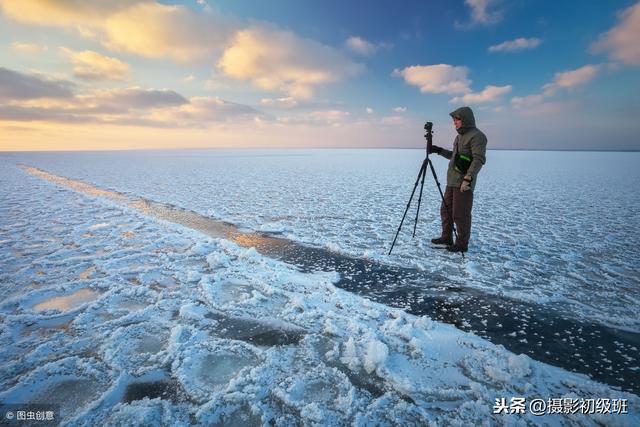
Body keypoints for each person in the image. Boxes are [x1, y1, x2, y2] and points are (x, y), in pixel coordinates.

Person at [428, 106, 487, 253]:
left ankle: (462, 244)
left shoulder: (477, 136)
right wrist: (439, 150)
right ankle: (446, 237)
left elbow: (478, 159)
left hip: (463, 183)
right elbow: (455, 157)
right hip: (452, 180)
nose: (454, 122)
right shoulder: (459, 136)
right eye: (454, 120)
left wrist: (468, 178)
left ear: (465, 120)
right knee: (446, 210)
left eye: (457, 119)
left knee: (460, 214)